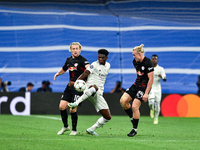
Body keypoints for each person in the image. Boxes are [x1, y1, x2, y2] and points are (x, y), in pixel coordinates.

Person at [68, 49, 111, 136]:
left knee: (107, 117)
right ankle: (76, 103)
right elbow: (86, 73)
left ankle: (92, 129)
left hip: (99, 93)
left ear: (106, 57)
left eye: (102, 57)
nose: (100, 59)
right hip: (89, 88)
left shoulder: (108, 66)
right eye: (99, 57)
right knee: (94, 87)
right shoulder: (94, 64)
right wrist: (77, 82)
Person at [54, 42, 90, 136]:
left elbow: (88, 68)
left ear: (80, 50)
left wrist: (89, 70)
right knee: (62, 106)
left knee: (72, 110)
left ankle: (74, 130)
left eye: (77, 48)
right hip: (70, 86)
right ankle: (66, 126)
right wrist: (58, 73)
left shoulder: (83, 60)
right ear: (70, 50)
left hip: (79, 88)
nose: (75, 50)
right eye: (73, 49)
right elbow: (64, 69)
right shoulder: (68, 60)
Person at [120, 44, 154, 137]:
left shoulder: (148, 63)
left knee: (135, 106)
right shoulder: (135, 62)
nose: (133, 57)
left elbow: (151, 79)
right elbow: (138, 75)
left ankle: (134, 129)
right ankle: (132, 118)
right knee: (123, 101)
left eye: (134, 55)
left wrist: (146, 93)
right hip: (136, 85)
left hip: (144, 87)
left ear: (139, 54)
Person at [148, 54, 166, 124]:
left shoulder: (160, 69)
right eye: (153, 59)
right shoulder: (149, 68)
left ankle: (156, 118)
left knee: (157, 104)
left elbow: (165, 78)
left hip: (158, 89)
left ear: (157, 60)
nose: (154, 60)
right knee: (151, 102)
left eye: (155, 59)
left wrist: (162, 77)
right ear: (151, 60)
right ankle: (152, 109)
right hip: (151, 88)